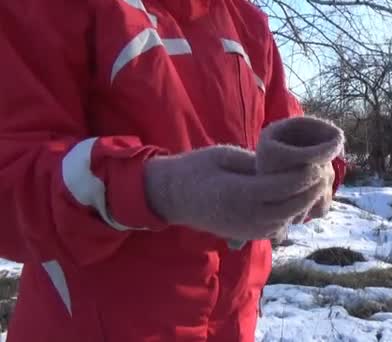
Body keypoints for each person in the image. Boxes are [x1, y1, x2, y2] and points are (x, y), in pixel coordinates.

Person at [0, 0, 346, 341]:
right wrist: (162, 190)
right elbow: (12, 180)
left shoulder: (247, 22)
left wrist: (317, 174)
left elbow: (285, 124)